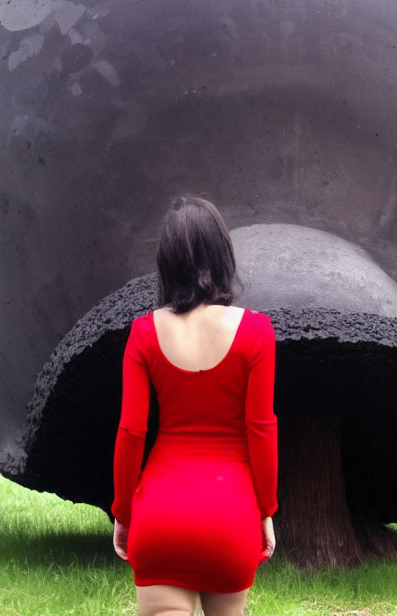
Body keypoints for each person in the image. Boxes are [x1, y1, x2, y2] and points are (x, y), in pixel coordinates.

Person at [111, 195, 279, 616]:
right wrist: (266, 509)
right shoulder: (256, 332)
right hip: (230, 515)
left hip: (159, 517)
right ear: (223, 256)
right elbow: (262, 428)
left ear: (166, 263)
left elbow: (132, 431)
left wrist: (123, 513)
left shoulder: (144, 333)